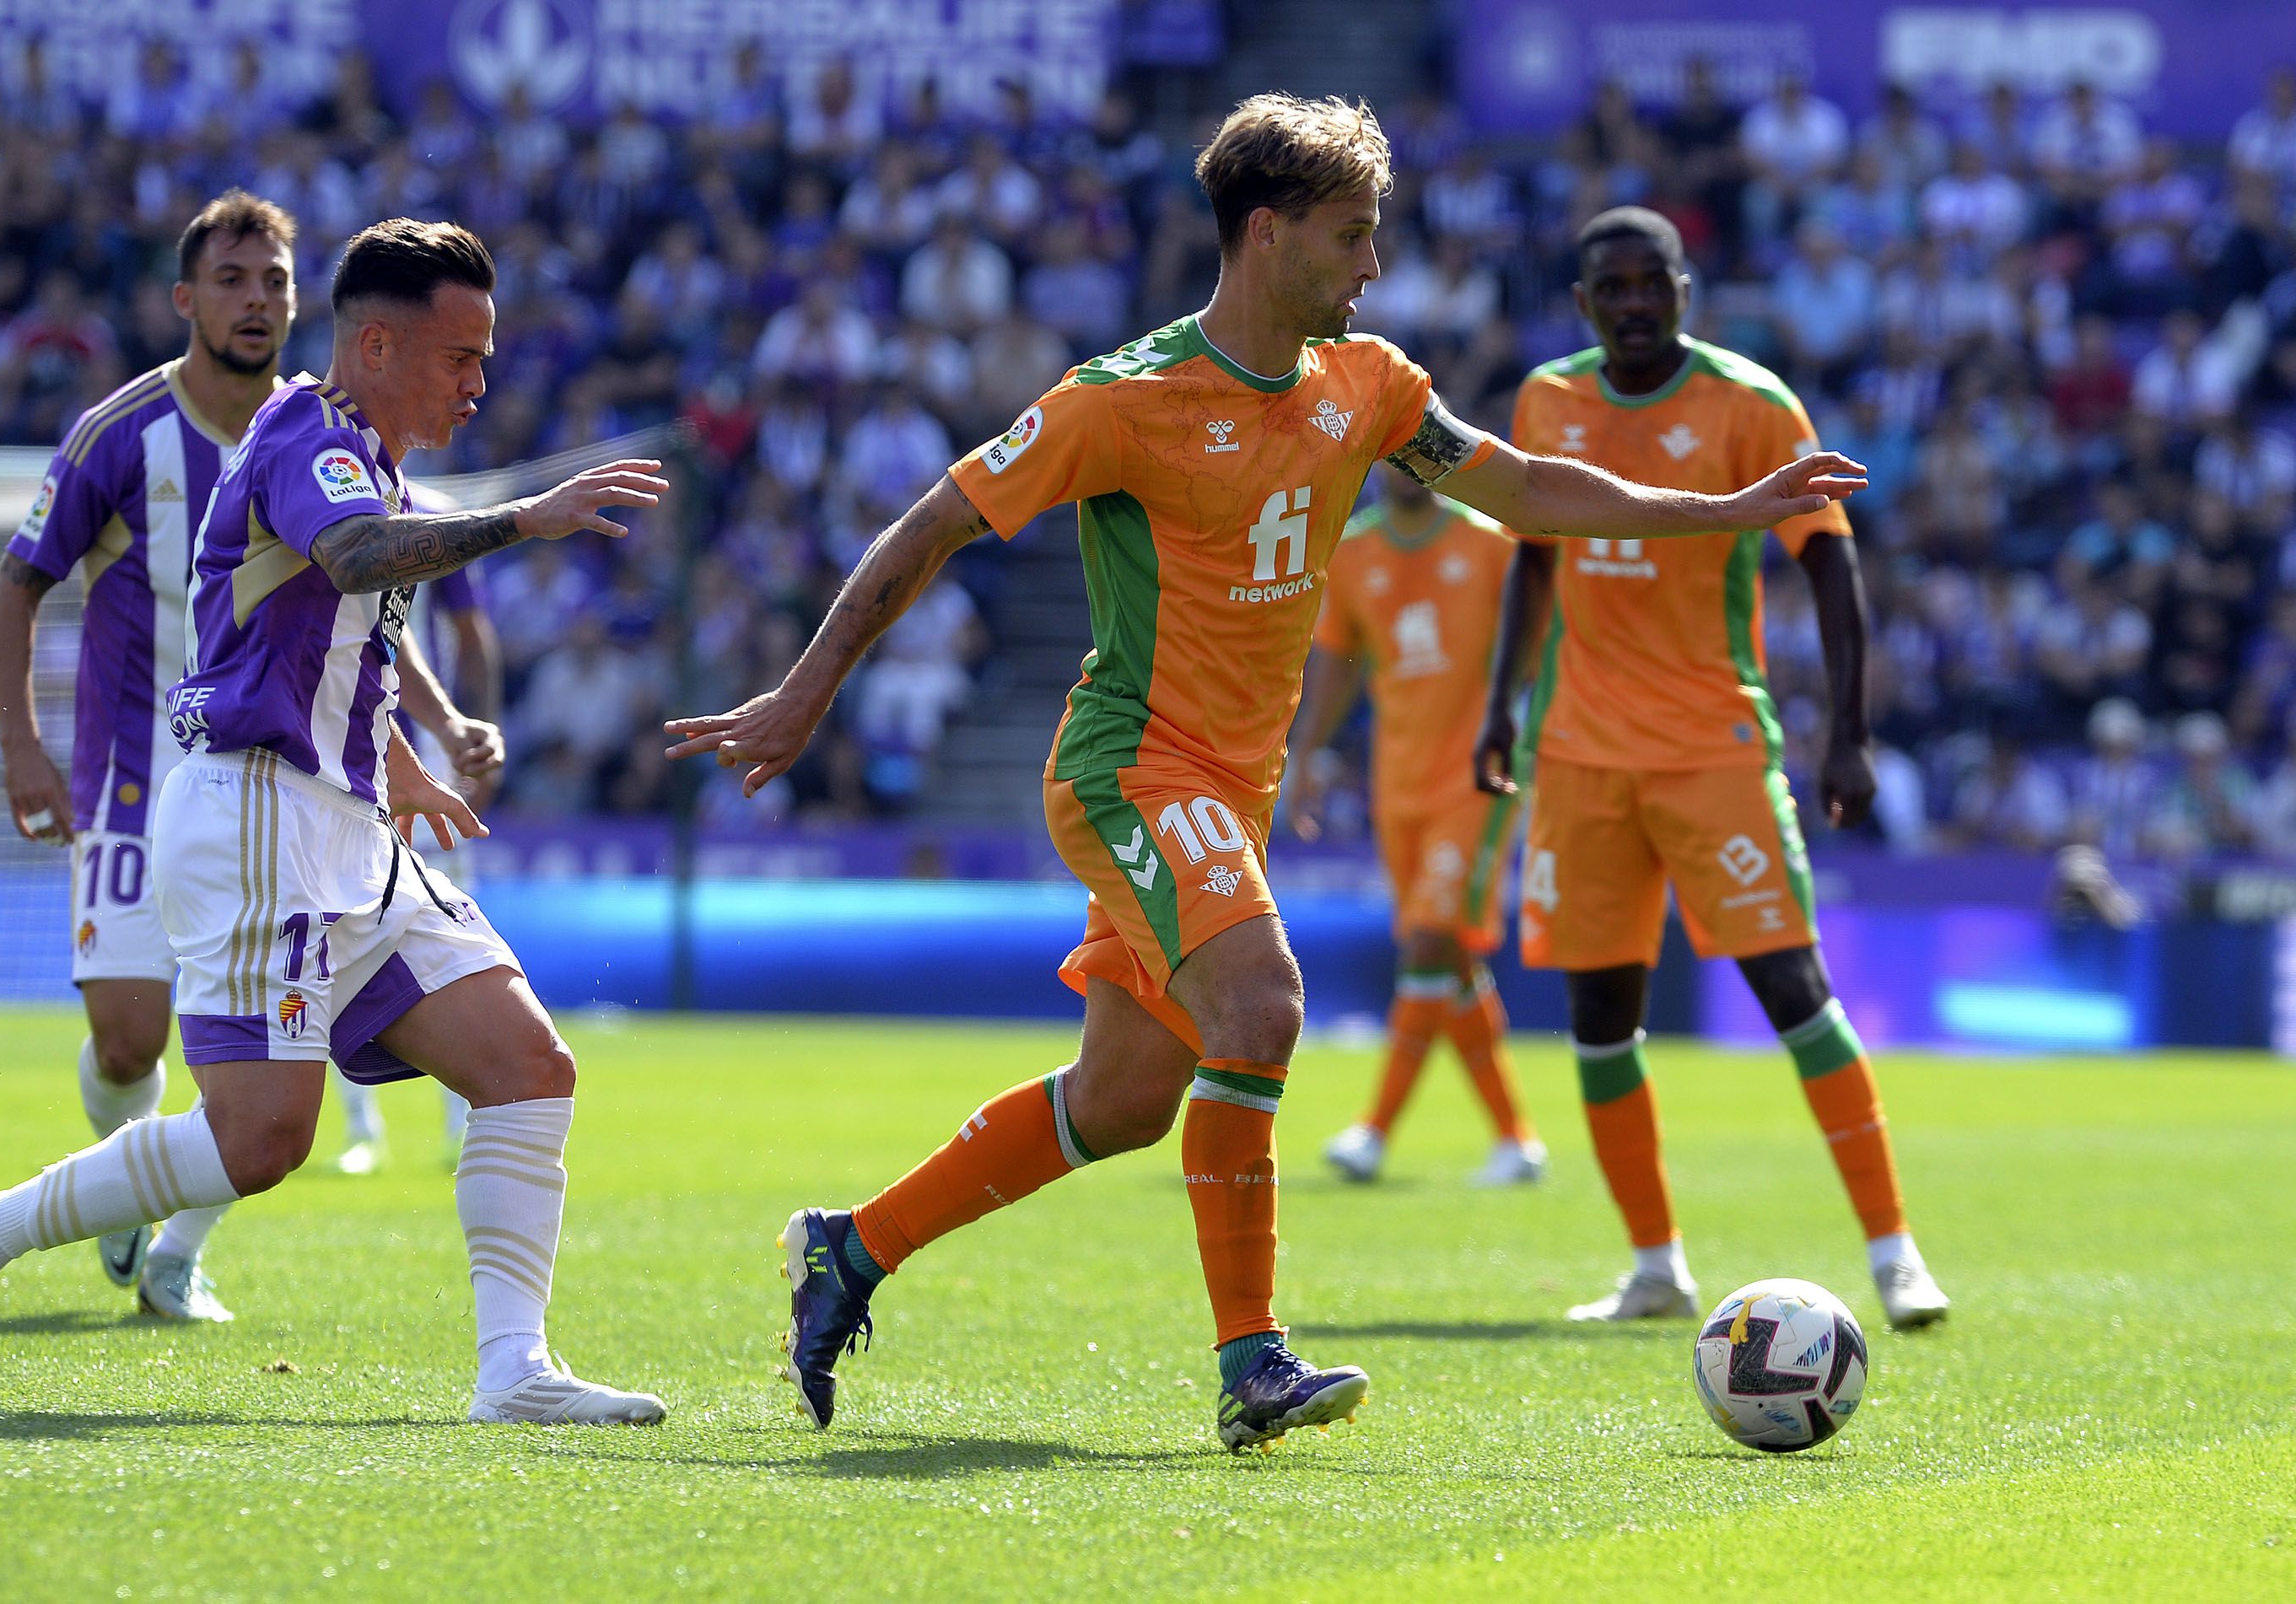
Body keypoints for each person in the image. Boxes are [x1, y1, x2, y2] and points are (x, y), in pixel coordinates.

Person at [664, 96, 1866, 1452]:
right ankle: (1253, 1362)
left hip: (1223, 790)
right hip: (1130, 766)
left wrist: (1717, 511)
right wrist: (802, 693)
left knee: (1119, 1102)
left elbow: (1525, 488)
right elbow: (932, 523)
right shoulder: (1123, 400)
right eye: (1351, 238)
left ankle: (849, 1250)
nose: (1370, 268)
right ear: (1265, 232)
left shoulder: (1367, 385)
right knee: (1264, 1000)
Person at [0, 219, 672, 1426]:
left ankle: (512, 1367)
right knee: (258, 1142)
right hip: (257, 820)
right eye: (463, 355)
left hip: (344, 820)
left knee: (527, 1065)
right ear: (375, 341)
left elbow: (325, 644)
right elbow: (356, 561)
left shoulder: (368, 451)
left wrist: (401, 760)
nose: (481, 381)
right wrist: (524, 518)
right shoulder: (315, 437)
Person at [1471, 206, 1949, 1332]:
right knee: (1599, 1013)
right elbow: (1532, 562)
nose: (1635, 302)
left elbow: (1829, 562)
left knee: (1793, 989)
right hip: (1580, 754)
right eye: (1612, 287)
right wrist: (1500, 706)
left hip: (1712, 747)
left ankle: (1893, 1253)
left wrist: (1849, 730)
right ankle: (1654, 1265)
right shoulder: (1547, 401)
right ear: (1584, 305)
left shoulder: (1749, 403)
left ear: (1686, 291)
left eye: (1655, 282)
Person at [0, 191, 302, 1322]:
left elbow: (365, 593)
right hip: (127, 777)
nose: (254, 300)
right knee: (128, 1040)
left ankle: (177, 1254)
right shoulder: (119, 434)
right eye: (231, 279)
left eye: (273, 281)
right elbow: (16, 586)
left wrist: (436, 723)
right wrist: (22, 746)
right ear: (185, 299)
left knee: (257, 1059)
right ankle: (121, 1185)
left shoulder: (315, 435)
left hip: (270, 785)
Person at [1285, 466, 1544, 1187]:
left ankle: (1373, 1132)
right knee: (1447, 961)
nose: (1406, 466)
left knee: (1431, 940)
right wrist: (1306, 754)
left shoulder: (1488, 544)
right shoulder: (1355, 554)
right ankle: (1515, 1141)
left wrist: (1527, 724)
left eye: (1417, 451)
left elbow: (1541, 636)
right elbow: (1337, 662)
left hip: (1476, 779)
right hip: (1396, 786)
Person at [331, 484, 507, 1176]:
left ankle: (463, 1120)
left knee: (454, 926)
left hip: (428, 750)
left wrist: (480, 735)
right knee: (338, 928)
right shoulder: (328, 503)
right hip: (343, 749)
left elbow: (471, 634)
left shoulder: (438, 515)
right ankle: (360, 1129)